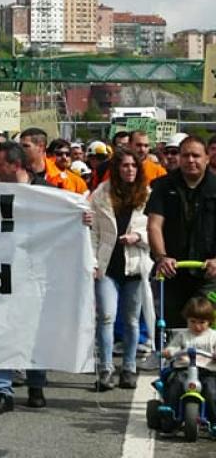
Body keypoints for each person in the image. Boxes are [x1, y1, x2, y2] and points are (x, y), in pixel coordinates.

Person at [0, 141, 52, 414]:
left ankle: (36, 385)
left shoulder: (47, 194)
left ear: (15, 165)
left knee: (36, 332)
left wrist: (80, 219)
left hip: (36, 275)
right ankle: (3, 391)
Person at [89, 149, 150, 390]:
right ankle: (105, 369)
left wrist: (138, 236)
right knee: (105, 317)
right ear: (116, 169)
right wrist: (93, 262)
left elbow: (156, 228)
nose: (129, 170)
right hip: (108, 267)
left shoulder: (147, 194)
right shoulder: (100, 194)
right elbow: (92, 232)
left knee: (132, 321)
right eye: (124, 165)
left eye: (134, 165)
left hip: (134, 267)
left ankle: (129, 367)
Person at [147, 135, 216, 328]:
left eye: (196, 155)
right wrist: (161, 257)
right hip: (172, 272)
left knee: (200, 325)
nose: (190, 160)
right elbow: (154, 225)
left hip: (208, 275)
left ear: (207, 158)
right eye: (185, 155)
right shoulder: (162, 186)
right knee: (174, 329)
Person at [160, 297, 216, 409]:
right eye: (193, 321)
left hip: (207, 370)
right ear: (187, 320)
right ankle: (171, 412)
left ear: (209, 321)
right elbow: (173, 347)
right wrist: (169, 352)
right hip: (184, 368)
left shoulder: (213, 335)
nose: (197, 326)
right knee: (175, 385)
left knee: (211, 390)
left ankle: (213, 417)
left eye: (202, 322)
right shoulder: (183, 335)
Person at [19, 128, 87, 194]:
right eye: (19, 146)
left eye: (25, 146)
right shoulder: (13, 172)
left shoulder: (69, 180)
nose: (20, 149)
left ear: (40, 147)